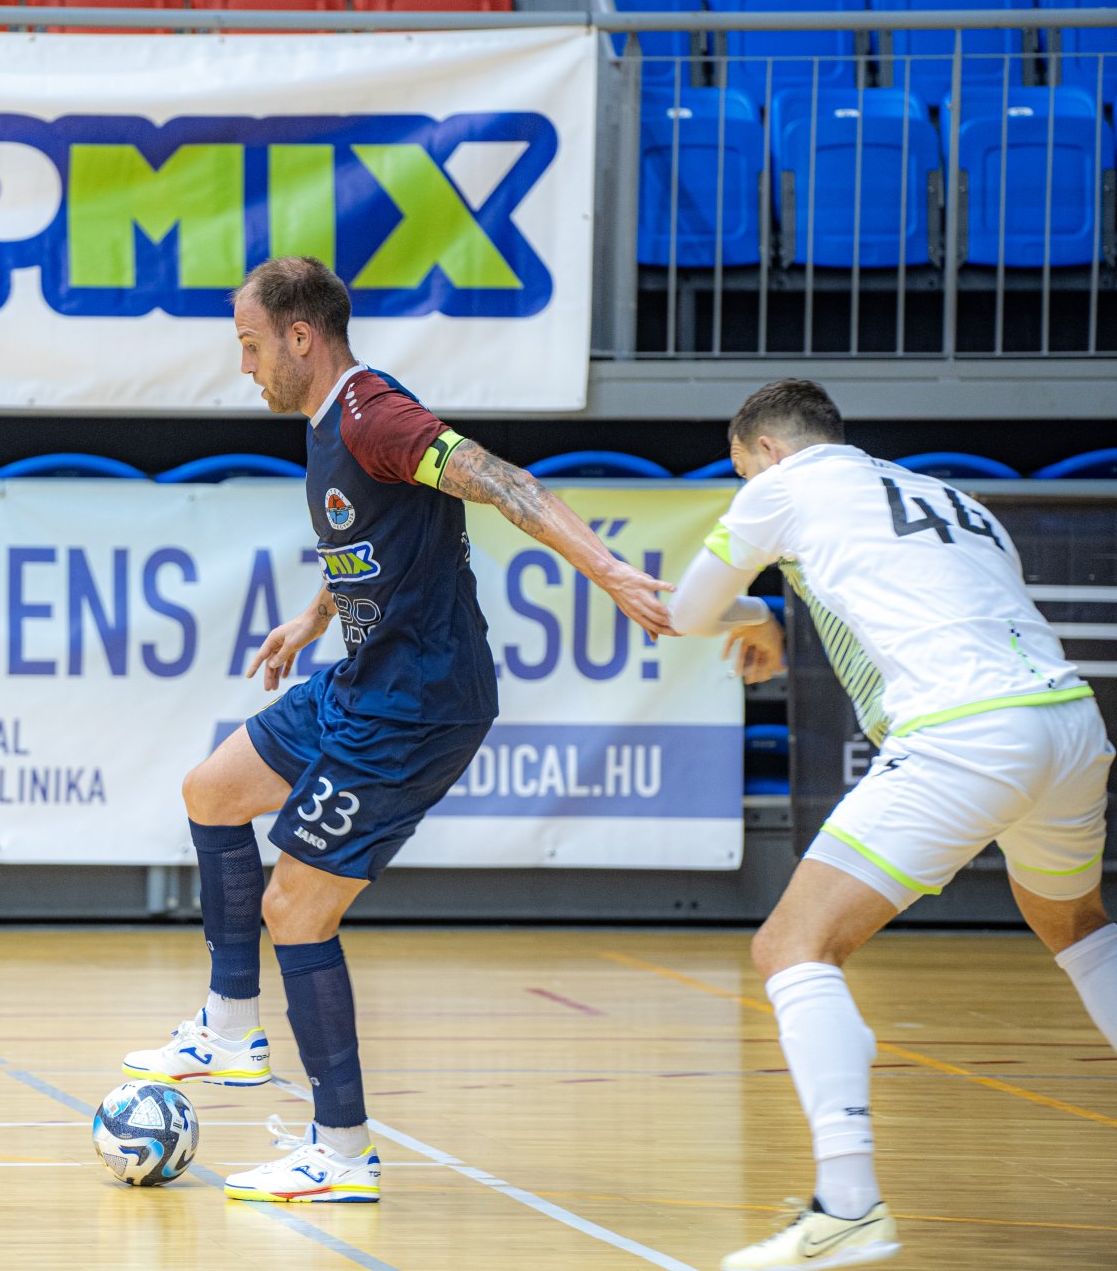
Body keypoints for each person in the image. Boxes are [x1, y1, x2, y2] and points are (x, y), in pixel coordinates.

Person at [122, 257, 676, 1203]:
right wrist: (315, 616)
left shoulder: (375, 415)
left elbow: (500, 480)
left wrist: (608, 569)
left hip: (416, 705)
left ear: (302, 337)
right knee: (212, 792)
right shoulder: (329, 423)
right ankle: (230, 1027)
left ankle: (340, 1152)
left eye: (251, 345)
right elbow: (372, 539)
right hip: (363, 679)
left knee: (297, 909)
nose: (244, 366)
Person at [666, 379, 1115, 1270]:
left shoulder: (783, 487)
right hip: (1069, 723)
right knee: (1078, 929)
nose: (745, 485)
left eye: (740, 471)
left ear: (766, 452)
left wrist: (754, 613)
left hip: (967, 734)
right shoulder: (947, 497)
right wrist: (780, 613)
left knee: (793, 948)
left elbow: (684, 614)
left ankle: (848, 1206)